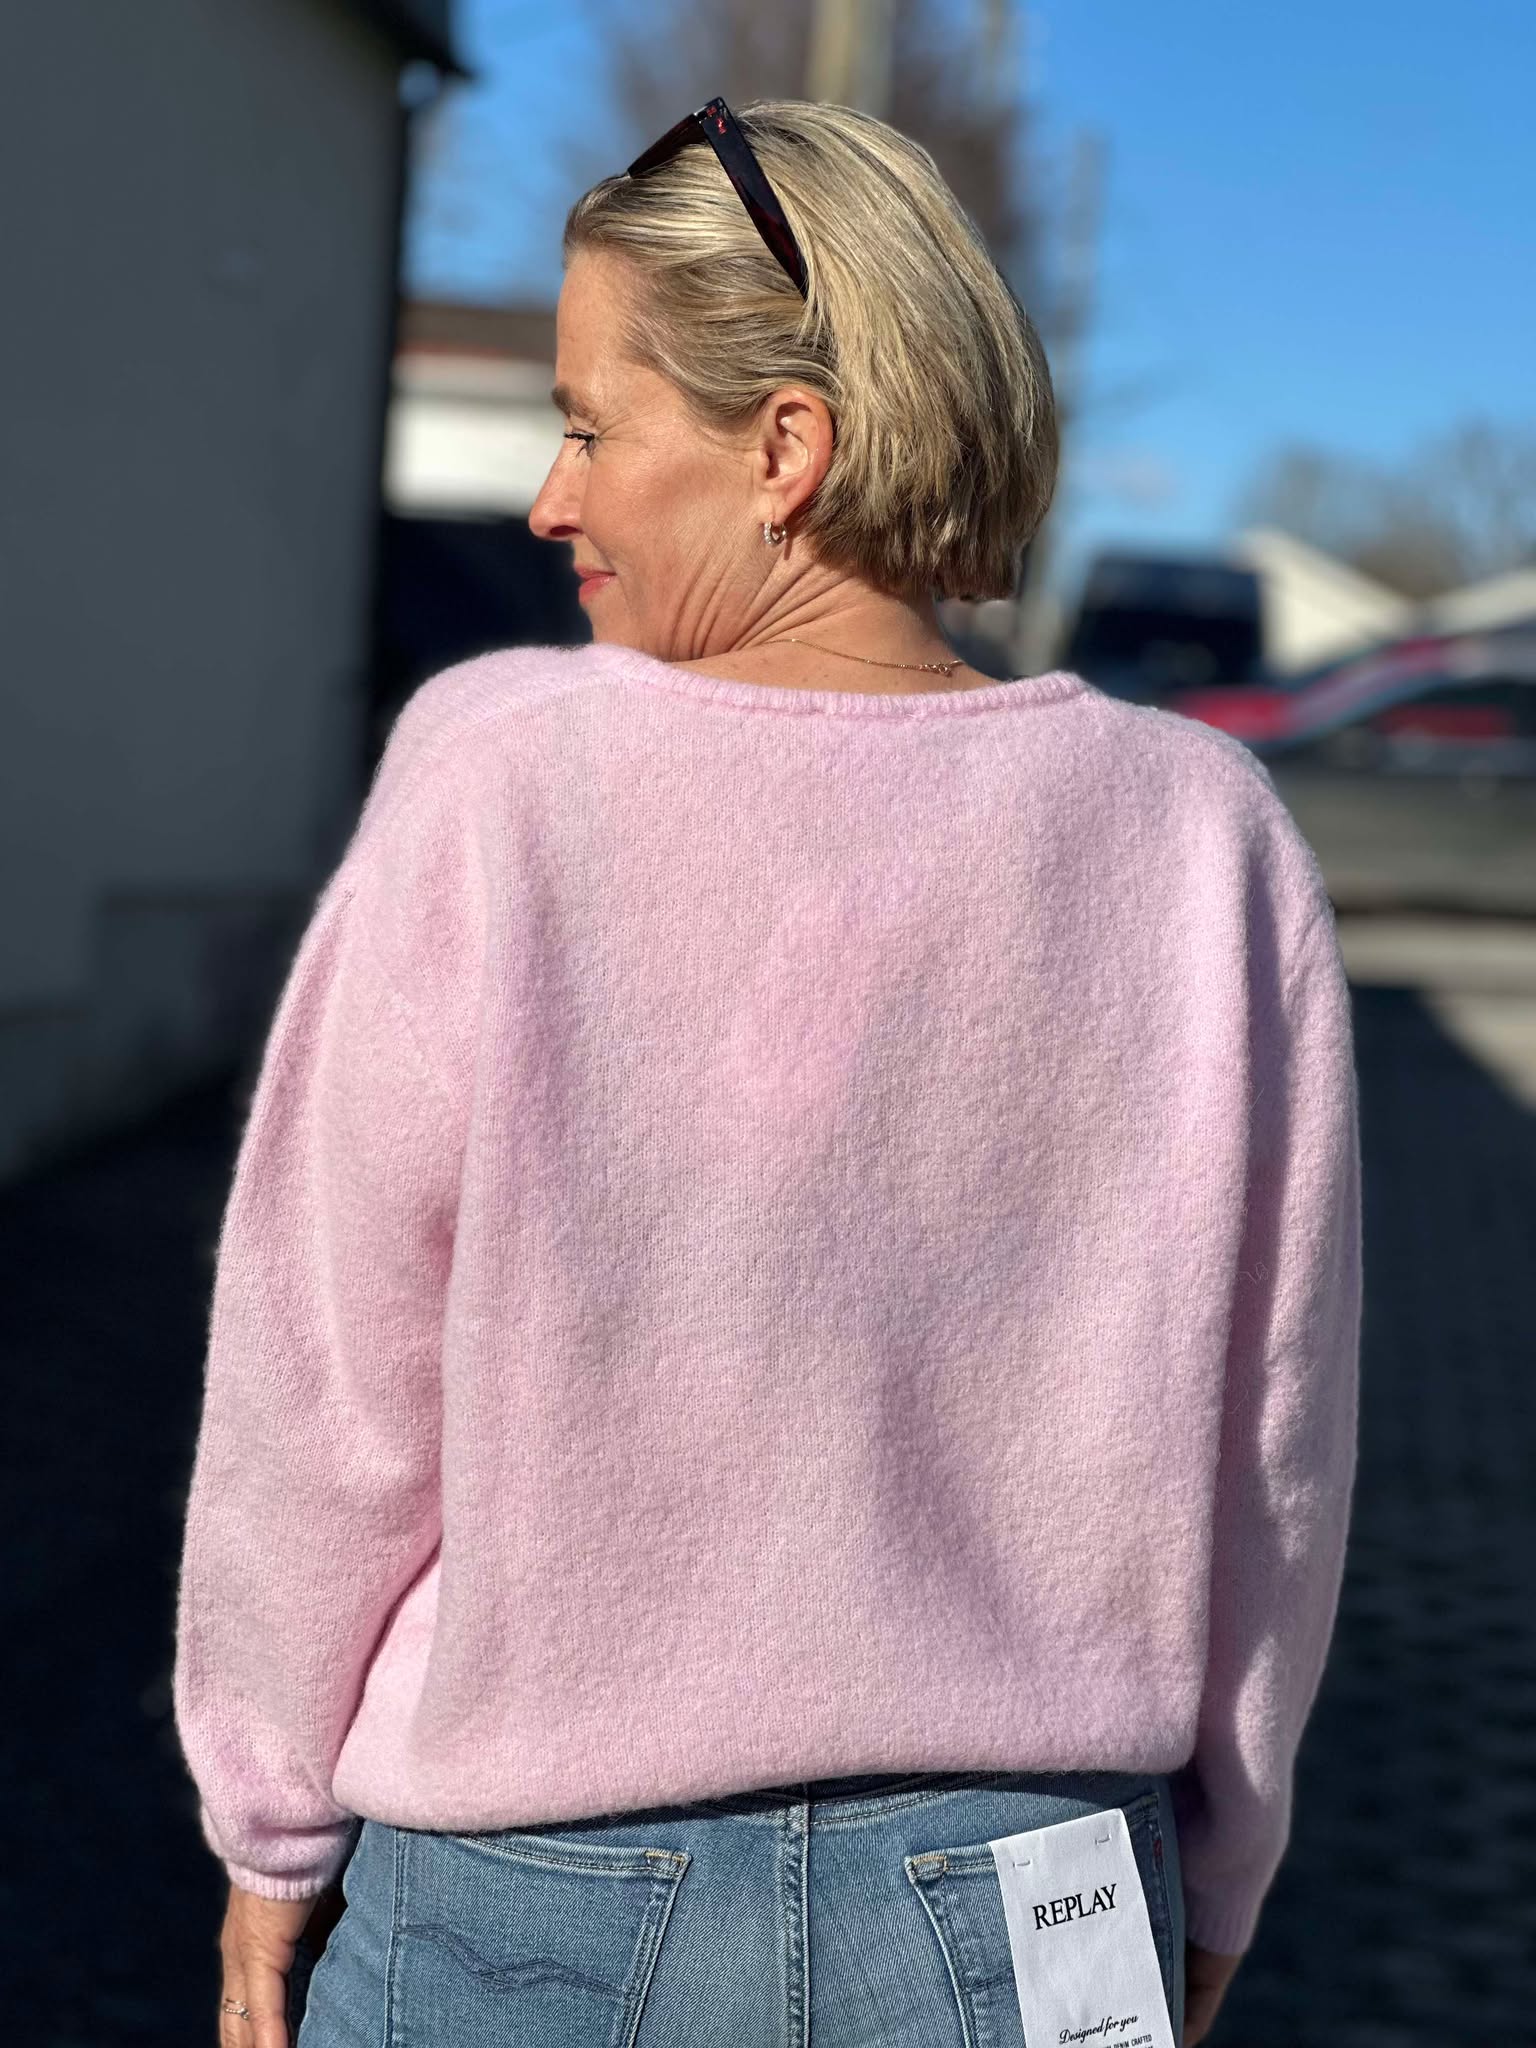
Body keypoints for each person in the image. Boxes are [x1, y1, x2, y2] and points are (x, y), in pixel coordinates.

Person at [172, 97, 1362, 2048]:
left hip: (536, 1881)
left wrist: (267, 1811)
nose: (549, 499)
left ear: (785, 449)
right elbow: (1273, 1445)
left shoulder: (502, 776)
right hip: (1034, 1891)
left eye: (589, 426)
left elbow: (327, 1374)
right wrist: (1227, 1859)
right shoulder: (1199, 836)